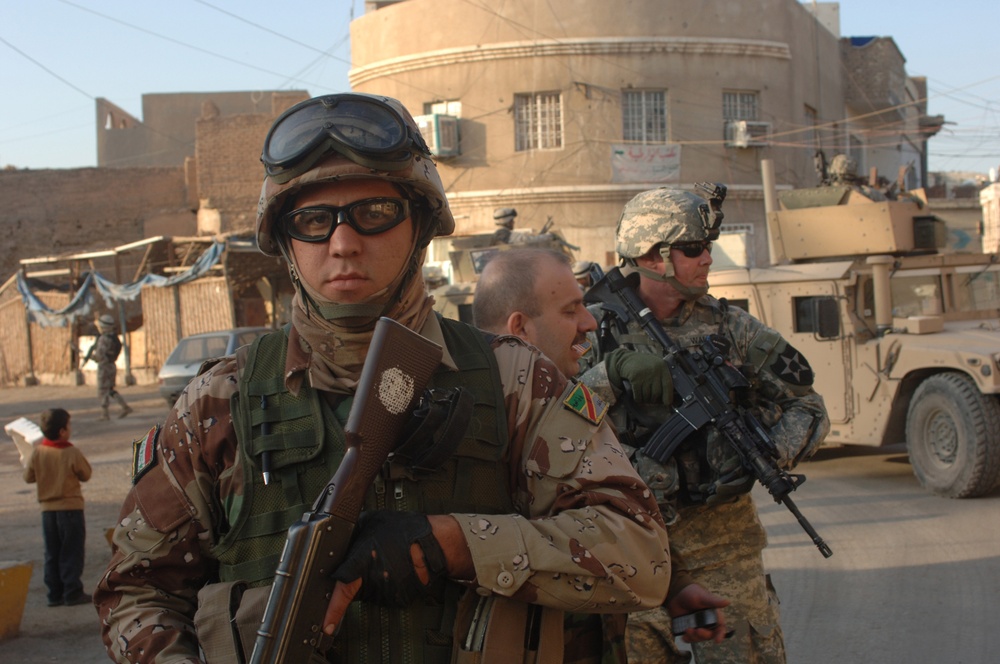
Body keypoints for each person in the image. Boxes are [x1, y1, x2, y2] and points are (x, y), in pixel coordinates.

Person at [95, 92, 671, 664]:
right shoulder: (217, 403)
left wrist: (453, 544)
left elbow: (641, 559)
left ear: (419, 226)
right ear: (288, 244)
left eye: (374, 214)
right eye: (313, 221)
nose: (343, 244)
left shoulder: (513, 380)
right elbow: (137, 591)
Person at [580, 186, 830, 664]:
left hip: (724, 546)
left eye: (707, 247)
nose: (707, 259)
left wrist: (766, 452)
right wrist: (606, 377)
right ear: (653, 256)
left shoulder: (734, 329)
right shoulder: (595, 329)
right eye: (693, 248)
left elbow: (809, 408)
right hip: (628, 544)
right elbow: (557, 421)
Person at [473, 247, 732, 663]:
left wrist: (674, 587)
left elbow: (604, 506)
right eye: (571, 310)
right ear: (520, 327)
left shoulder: (567, 404)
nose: (590, 323)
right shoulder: (473, 420)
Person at [23, 408, 92, 607]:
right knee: (71, 551)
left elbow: (28, 477)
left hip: (47, 512)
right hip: (71, 509)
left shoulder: (38, 452)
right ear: (62, 431)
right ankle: (72, 591)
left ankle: (54, 594)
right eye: (69, 426)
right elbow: (86, 474)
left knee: (52, 553)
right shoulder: (71, 452)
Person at [82, 314, 131, 420]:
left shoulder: (104, 339)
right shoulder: (113, 338)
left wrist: (91, 357)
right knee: (110, 389)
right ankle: (124, 407)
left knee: (103, 390)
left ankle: (105, 414)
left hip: (104, 367)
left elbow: (100, 355)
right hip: (111, 365)